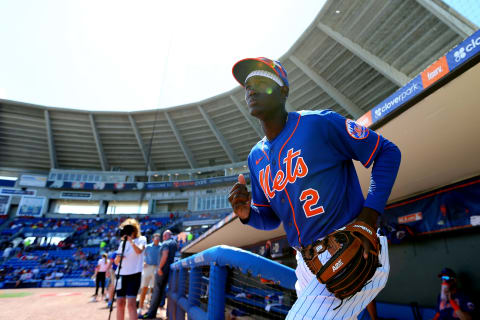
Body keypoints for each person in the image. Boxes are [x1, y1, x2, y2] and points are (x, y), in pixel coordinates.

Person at [228, 57, 401, 319]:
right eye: (247, 85)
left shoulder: (319, 123)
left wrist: (370, 215)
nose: (250, 89)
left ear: (283, 91)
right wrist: (246, 213)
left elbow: (387, 152)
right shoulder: (255, 157)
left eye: (261, 82)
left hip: (351, 246)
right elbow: (270, 218)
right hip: (306, 263)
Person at [138, 230, 177, 320]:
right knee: (159, 291)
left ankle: (151, 313)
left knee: (156, 291)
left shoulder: (165, 243)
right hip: (166, 271)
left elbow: (165, 254)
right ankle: (152, 311)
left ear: (164, 236)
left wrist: (159, 268)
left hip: (161, 270)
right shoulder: (174, 243)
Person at [115, 218, 146, 320]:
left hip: (134, 274)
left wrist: (131, 242)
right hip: (121, 275)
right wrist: (119, 257)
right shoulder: (122, 243)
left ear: (135, 230)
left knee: (131, 304)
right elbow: (116, 261)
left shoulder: (141, 239)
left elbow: (139, 251)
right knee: (119, 303)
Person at [138, 233, 162, 313]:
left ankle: (154, 308)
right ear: (152, 239)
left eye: (158, 239)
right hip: (148, 268)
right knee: (144, 288)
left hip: (156, 268)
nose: (157, 240)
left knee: (155, 289)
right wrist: (144, 262)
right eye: (156, 238)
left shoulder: (161, 247)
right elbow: (142, 255)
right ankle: (140, 308)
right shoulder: (148, 247)